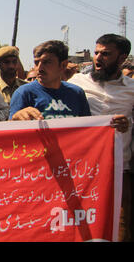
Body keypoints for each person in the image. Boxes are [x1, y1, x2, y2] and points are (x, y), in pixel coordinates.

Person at [68, 34, 134, 241]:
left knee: (122, 220)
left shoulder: (132, 90)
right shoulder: (76, 83)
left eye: (106, 54)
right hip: (82, 167)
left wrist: (128, 124)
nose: (98, 58)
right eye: (96, 52)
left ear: (122, 57)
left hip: (120, 167)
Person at [10, 40, 91, 120]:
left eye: (46, 62)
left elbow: (88, 129)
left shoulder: (76, 93)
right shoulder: (23, 93)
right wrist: (16, 118)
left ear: (63, 65)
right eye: (36, 63)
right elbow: (10, 130)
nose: (39, 68)